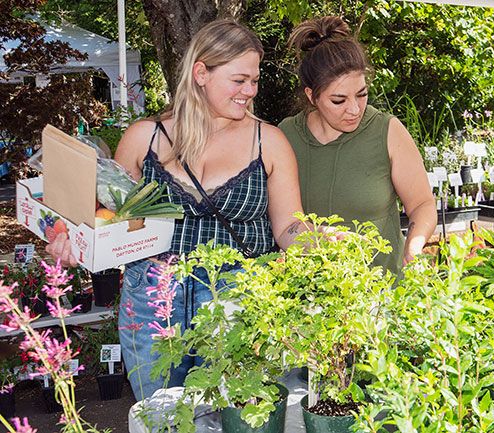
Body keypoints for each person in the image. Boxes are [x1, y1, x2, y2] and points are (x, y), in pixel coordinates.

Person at [47, 19, 308, 400]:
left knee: (232, 415)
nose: (249, 91)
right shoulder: (144, 138)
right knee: (160, 415)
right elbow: (108, 220)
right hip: (152, 299)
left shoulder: (270, 141)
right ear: (201, 73)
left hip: (236, 303)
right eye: (239, 80)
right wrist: (71, 238)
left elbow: (288, 227)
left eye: (254, 81)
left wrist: (319, 243)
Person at [278, 16, 437, 274]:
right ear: (312, 95)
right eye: (339, 101)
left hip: (380, 296)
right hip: (307, 300)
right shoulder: (285, 136)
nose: (354, 109)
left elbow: (422, 204)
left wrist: (414, 246)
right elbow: (284, 225)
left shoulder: (387, 130)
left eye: (361, 94)